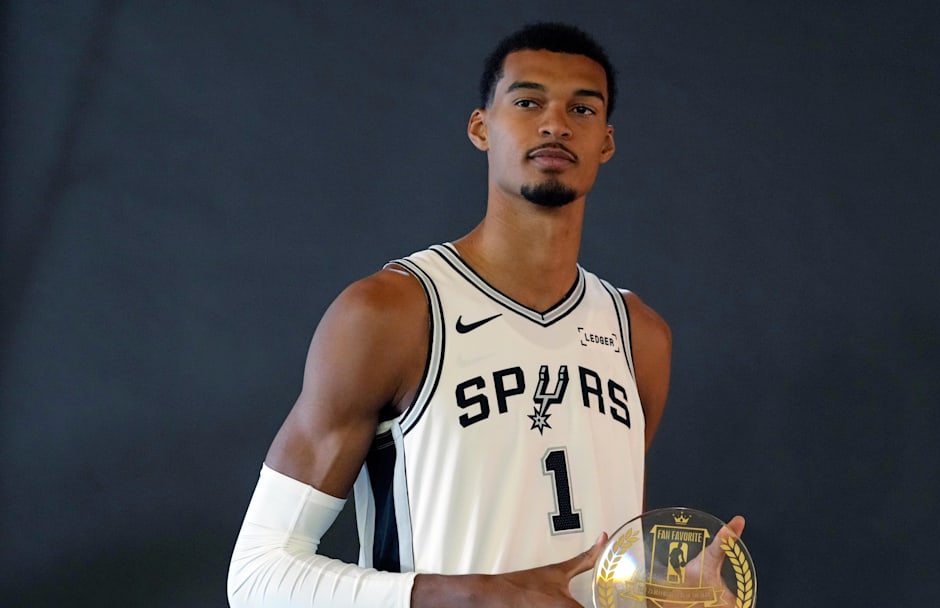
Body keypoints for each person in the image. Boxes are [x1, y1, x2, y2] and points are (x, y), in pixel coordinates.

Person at [227, 22, 743, 608]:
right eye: (528, 102)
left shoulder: (639, 335)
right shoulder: (393, 312)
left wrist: (665, 594)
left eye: (582, 108)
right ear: (481, 126)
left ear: (606, 141)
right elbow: (256, 577)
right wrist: (470, 596)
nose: (556, 123)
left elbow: (597, 560)